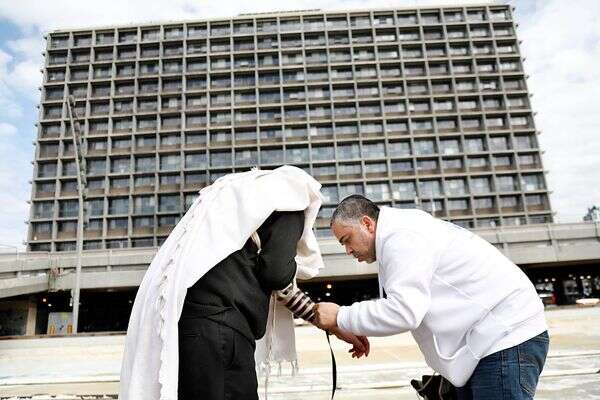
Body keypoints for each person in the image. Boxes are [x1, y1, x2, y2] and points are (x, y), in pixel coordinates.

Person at [120, 166, 368, 400]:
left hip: (191, 329)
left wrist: (329, 321)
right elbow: (277, 273)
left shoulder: (230, 234)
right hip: (222, 332)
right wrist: (290, 263)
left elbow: (277, 283)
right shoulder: (290, 205)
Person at [314, 195, 549, 400]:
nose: (348, 250)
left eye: (347, 239)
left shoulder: (402, 237)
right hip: (490, 339)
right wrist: (353, 323)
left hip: (505, 336)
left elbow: (404, 312)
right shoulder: (400, 232)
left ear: (367, 224)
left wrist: (341, 316)